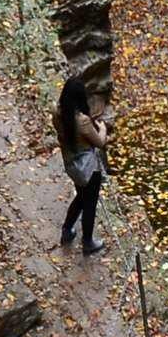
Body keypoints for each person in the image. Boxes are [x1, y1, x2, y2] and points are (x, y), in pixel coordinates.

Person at [56, 71, 109, 255]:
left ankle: (67, 229)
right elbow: (100, 143)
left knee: (80, 197)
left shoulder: (58, 113)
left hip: (72, 165)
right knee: (89, 203)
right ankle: (88, 242)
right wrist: (103, 129)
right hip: (88, 169)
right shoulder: (83, 121)